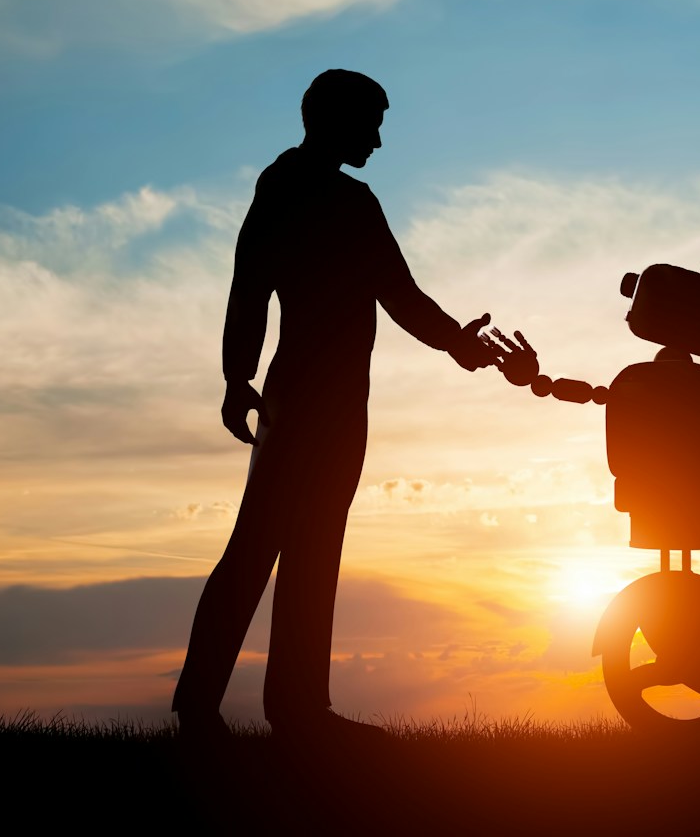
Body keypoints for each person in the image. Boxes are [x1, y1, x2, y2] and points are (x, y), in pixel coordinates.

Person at [172, 69, 499, 745]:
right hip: (301, 400)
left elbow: (398, 294)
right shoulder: (290, 186)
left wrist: (461, 346)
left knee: (315, 549)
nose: (379, 140)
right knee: (258, 547)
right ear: (330, 120)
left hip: (341, 403)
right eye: (370, 125)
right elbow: (251, 286)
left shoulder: (353, 201)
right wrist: (237, 377)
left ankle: (296, 708)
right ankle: (205, 707)